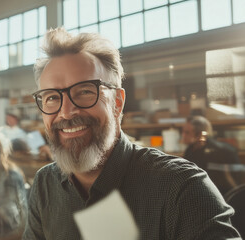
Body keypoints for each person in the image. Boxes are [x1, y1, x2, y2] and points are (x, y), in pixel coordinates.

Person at [22, 27, 240, 239]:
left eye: (85, 92)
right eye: (51, 97)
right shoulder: (45, 185)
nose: (66, 112)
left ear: (117, 102)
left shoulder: (182, 189)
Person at [182, 115, 241, 195]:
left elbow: (231, 183)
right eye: (183, 132)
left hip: (219, 196)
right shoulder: (190, 150)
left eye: (187, 132)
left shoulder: (221, 151)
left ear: (200, 134)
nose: (183, 135)